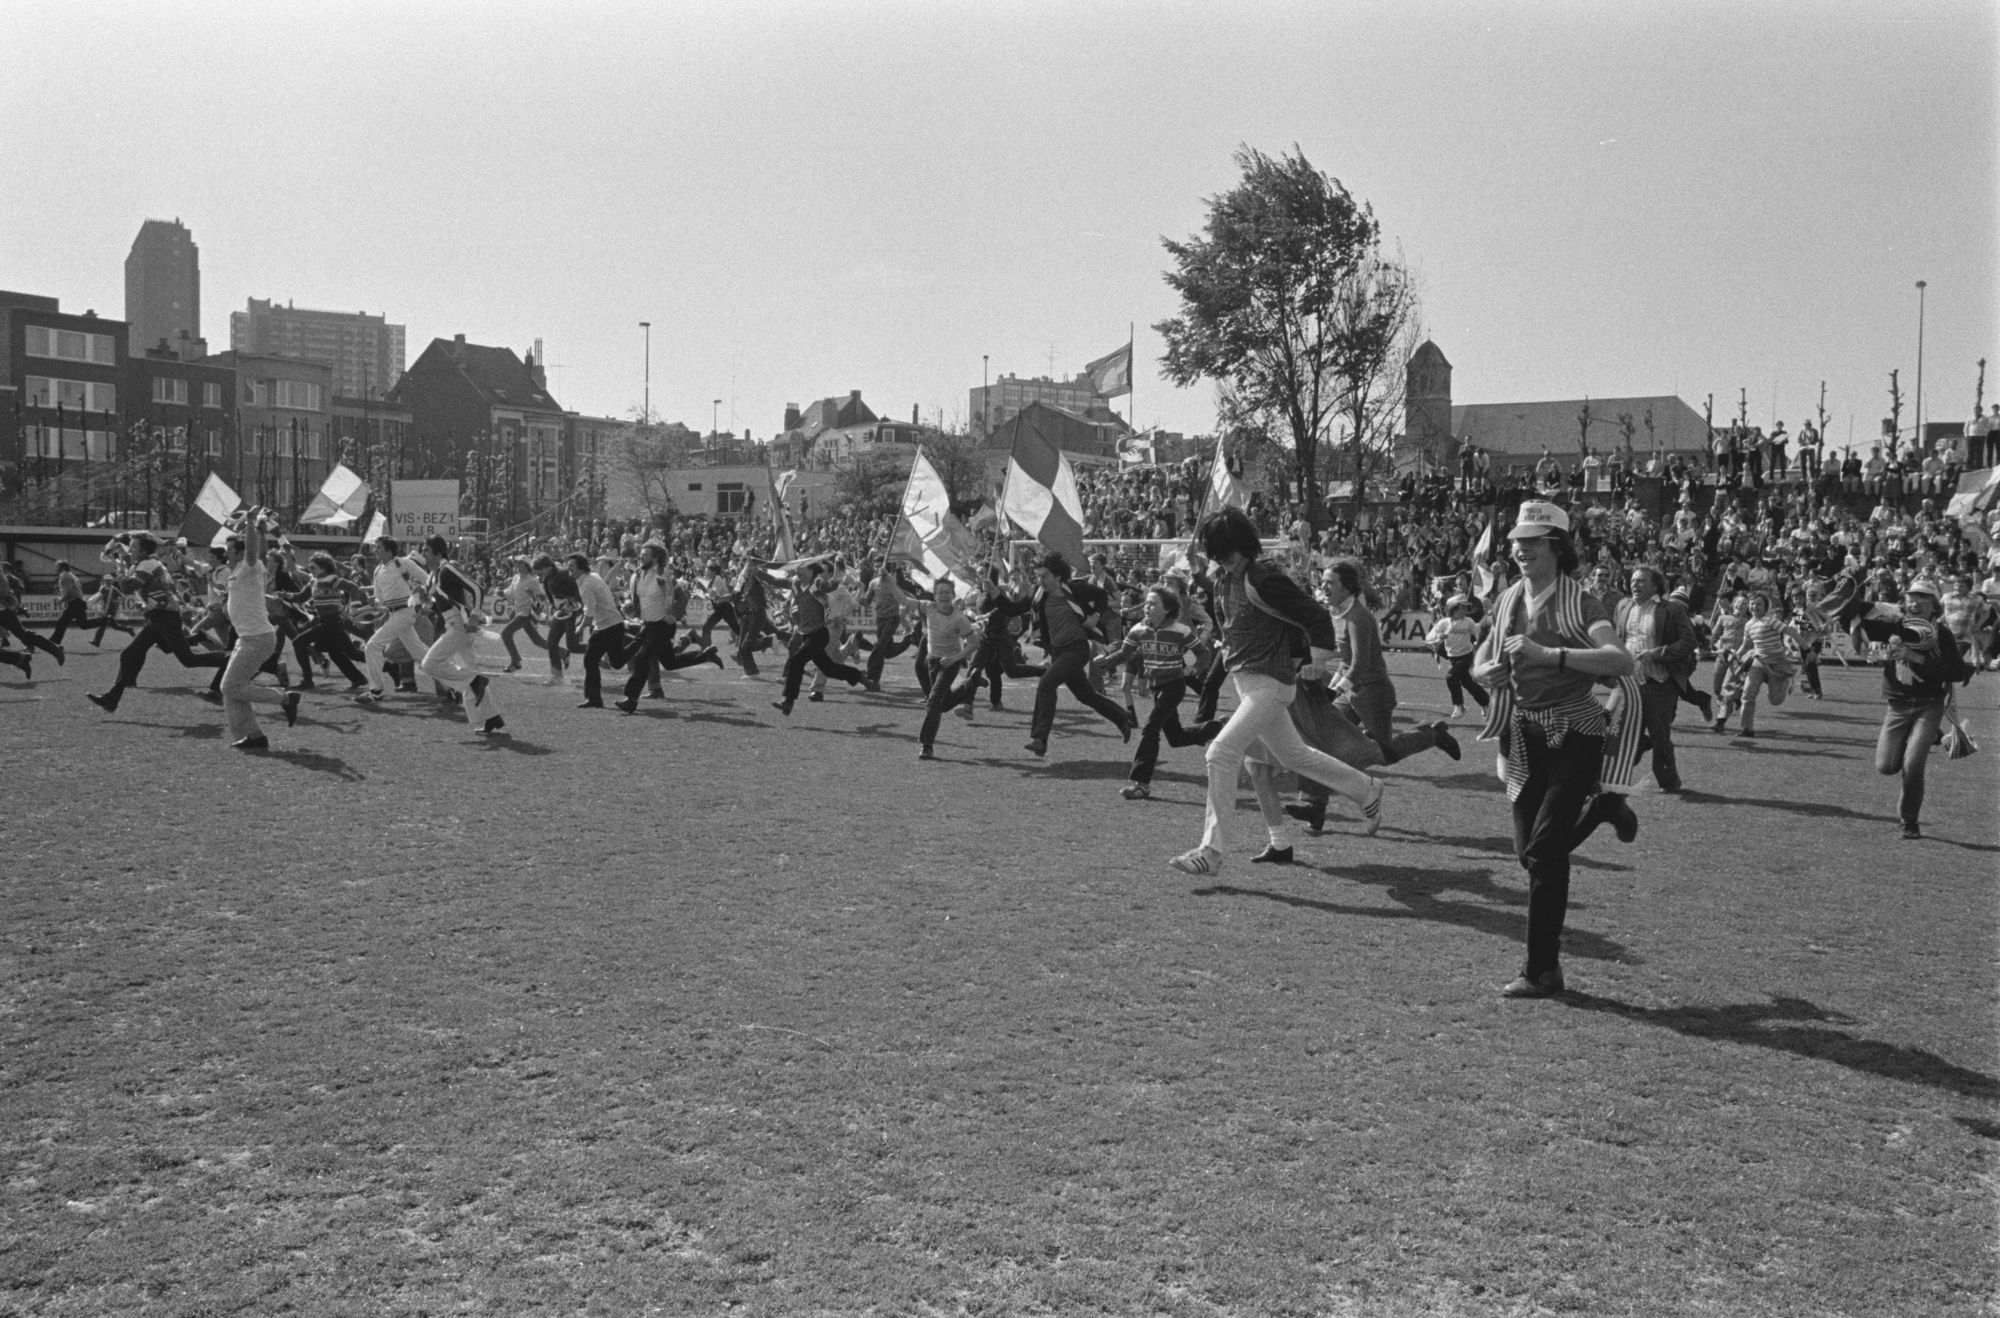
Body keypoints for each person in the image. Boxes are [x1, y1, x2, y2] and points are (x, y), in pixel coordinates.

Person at [1470, 501, 1636, 999]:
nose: (1520, 549)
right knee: (1530, 854)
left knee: (1544, 851)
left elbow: (1620, 660)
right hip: (1524, 734)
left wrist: (1551, 655)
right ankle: (1604, 806)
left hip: (1577, 733)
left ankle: (1542, 970)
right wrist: (1483, 672)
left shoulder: (1582, 603)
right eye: (1517, 541)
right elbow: (1482, 653)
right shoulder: (1507, 600)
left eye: (1532, 541)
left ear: (1557, 548)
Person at [1168, 509, 1383, 876]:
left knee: (1220, 753)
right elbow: (1228, 603)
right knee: (1294, 755)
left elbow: (1314, 615)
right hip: (1247, 681)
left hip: (1273, 683)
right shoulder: (1223, 578)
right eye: (1215, 553)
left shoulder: (1264, 578)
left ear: (1238, 548)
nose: (1222, 559)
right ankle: (1366, 789)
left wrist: (1316, 657)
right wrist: (1199, 571)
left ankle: (1212, 851)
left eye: (1222, 551)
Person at [1282, 557, 1459, 834]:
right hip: (1351, 691)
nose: (1324, 586)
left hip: (1373, 693)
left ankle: (1432, 735)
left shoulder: (1359, 617)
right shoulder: (1337, 613)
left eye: (1331, 582)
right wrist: (1334, 691)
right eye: (1323, 581)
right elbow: (1345, 663)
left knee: (1383, 754)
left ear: (1347, 587)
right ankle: (1313, 806)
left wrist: (1335, 690)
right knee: (1321, 743)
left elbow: (1360, 664)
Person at [1819, 572, 1969, 839]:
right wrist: (1843, 593)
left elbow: (1957, 671)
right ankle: (1936, 736)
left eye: (1922, 598)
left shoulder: (1941, 634)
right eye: (1911, 598)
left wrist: (1916, 658)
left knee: (1912, 766)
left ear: (1934, 604)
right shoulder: (1894, 624)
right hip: (1897, 705)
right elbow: (1854, 615)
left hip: (1928, 705)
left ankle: (1909, 821)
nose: (1915, 603)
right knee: (1886, 766)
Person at [990, 551, 1134, 758]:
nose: (1040, 580)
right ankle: (1122, 717)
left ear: (1057, 576)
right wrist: (994, 591)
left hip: (1077, 648)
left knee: (1046, 684)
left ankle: (1039, 739)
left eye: (1044, 576)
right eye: (1038, 576)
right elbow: (1012, 609)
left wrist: (1095, 615)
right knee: (1085, 695)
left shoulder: (1075, 589)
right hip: (1058, 652)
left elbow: (1101, 596)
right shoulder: (1039, 596)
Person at [87, 534, 228, 712]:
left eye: (134, 548)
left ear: (144, 551)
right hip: (161, 616)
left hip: (165, 617)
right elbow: (131, 573)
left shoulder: (148, 564)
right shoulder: (147, 563)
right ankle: (112, 698)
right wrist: (120, 559)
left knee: (188, 659)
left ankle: (230, 660)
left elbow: (128, 586)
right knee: (130, 654)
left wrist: (119, 570)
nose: (130, 550)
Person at [1111, 585, 1217, 799]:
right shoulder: (1138, 630)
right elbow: (1124, 653)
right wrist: (1104, 662)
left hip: (1174, 686)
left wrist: (1195, 668)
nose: (1147, 607)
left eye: (1152, 604)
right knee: (1176, 738)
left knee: (1150, 728)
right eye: (1146, 603)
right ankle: (1219, 727)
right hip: (1156, 688)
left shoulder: (1181, 630)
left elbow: (1203, 654)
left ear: (1167, 609)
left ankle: (1140, 783)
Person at [214, 508, 303, 750]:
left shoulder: (248, 567)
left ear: (240, 553)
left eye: (229, 550)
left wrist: (251, 522)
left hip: (256, 638)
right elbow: (257, 551)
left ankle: (285, 698)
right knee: (232, 690)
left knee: (229, 686)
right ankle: (254, 736)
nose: (225, 554)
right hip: (248, 638)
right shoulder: (238, 574)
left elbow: (254, 552)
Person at [1614, 565, 1701, 792]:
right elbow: (1617, 639)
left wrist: (1659, 653)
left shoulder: (1671, 609)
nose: (1635, 584)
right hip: (1630, 683)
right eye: (1633, 580)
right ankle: (1613, 779)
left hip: (1660, 683)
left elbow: (1689, 641)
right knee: (1621, 733)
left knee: (1660, 737)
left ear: (1655, 585)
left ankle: (1669, 782)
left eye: (1641, 581)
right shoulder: (1623, 607)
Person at [414, 534, 506, 735]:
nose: (423, 554)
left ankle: (475, 681)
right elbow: (447, 604)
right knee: (469, 671)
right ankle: (491, 717)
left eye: (426, 550)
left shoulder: (447, 570)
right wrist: (429, 609)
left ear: (438, 553)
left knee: (429, 664)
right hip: (455, 625)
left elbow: (477, 588)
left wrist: (475, 615)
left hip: (460, 628)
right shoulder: (437, 574)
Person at [614, 543, 722, 714]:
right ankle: (705, 655)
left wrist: (672, 614)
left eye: (646, 554)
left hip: (662, 625)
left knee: (642, 659)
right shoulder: (638, 575)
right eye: (641, 554)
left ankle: (631, 699)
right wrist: (634, 610)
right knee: (669, 663)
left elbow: (677, 596)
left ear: (655, 558)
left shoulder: (663, 574)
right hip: (649, 623)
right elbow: (638, 599)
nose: (641, 556)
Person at [767, 558, 877, 716]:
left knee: (797, 660)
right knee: (829, 668)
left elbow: (831, 586)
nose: (797, 571)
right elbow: (774, 580)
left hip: (820, 634)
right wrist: (757, 569)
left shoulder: (818, 584)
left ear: (812, 570)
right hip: (807, 633)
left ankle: (788, 701)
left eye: (801, 569)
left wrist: (839, 574)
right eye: (797, 569)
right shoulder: (796, 583)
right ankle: (861, 677)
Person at [355, 536, 431, 703]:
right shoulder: (377, 571)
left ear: (389, 551)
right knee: (420, 653)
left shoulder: (403, 563)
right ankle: (456, 684)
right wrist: (372, 602)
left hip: (405, 613)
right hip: (395, 614)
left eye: (379, 548)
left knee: (372, 646)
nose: (375, 551)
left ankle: (375, 691)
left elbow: (429, 580)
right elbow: (380, 602)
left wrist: (423, 597)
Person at [914, 576, 978, 760]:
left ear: (953, 595)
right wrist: (888, 581)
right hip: (933, 661)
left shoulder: (959, 618)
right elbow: (903, 600)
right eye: (940, 592)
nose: (943, 596)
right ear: (934, 595)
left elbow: (974, 643)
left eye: (947, 592)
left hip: (951, 662)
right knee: (942, 704)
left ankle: (927, 745)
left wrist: (954, 659)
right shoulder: (929, 608)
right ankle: (970, 684)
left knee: (933, 701)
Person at [1731, 593, 1800, 740]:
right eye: (1752, 604)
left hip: (1777, 662)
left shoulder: (1772, 620)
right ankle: (1746, 728)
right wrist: (1735, 655)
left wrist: (1808, 648)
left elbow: (1792, 631)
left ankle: (1783, 681)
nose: (1754, 606)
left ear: (1765, 607)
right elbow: (1745, 645)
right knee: (1748, 694)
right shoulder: (1749, 625)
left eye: (1758, 604)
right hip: (1758, 662)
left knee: (1775, 700)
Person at [573, 553, 633, 710]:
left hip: (610, 626)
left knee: (616, 662)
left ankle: (639, 642)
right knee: (591, 660)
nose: (569, 570)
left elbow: (590, 609)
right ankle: (594, 699)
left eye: (571, 567)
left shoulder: (586, 584)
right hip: (606, 626)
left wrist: (580, 627)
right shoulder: (590, 577)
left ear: (580, 568)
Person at [1424, 594, 1487, 719]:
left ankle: (1459, 707)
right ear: (1454, 608)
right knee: (1468, 683)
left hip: (1467, 656)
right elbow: (1429, 637)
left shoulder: (1468, 622)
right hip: (1453, 657)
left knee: (1451, 677)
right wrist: (1438, 637)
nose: (1465, 610)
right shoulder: (1444, 623)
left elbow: (1478, 633)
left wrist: (1479, 640)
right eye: (1462, 607)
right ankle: (1487, 703)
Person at [497, 557, 548, 672]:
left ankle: (516, 662)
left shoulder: (533, 581)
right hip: (520, 612)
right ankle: (564, 653)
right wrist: (502, 593)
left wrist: (533, 595)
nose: (517, 565)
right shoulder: (516, 578)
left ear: (527, 566)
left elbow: (543, 598)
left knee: (505, 633)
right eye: (516, 563)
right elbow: (510, 593)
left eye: (520, 563)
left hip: (527, 614)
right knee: (538, 641)